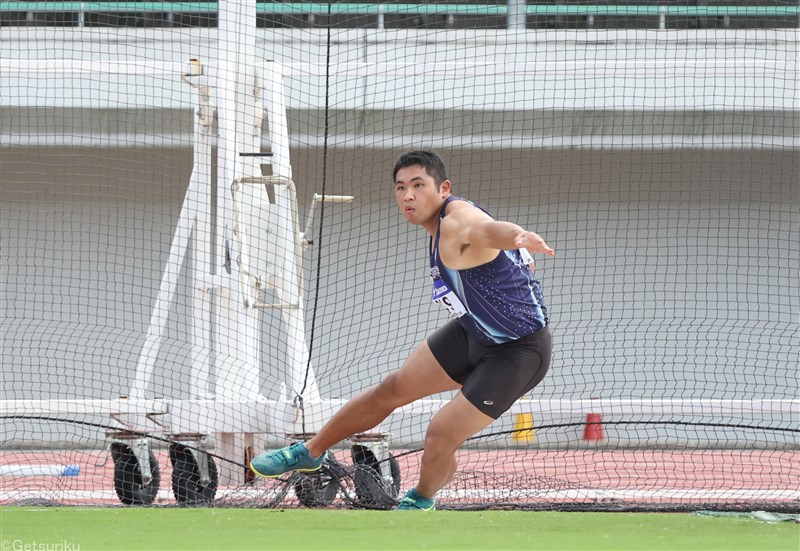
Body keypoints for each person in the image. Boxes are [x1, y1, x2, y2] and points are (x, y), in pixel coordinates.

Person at [250, 149, 554, 510]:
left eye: (418, 185)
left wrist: (518, 236)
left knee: (440, 435)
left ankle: (420, 500)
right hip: (473, 332)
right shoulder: (438, 226)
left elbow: (486, 230)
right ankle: (310, 451)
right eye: (400, 188)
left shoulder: (457, 221)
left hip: (518, 351)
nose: (408, 196)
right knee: (390, 389)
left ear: (443, 188)